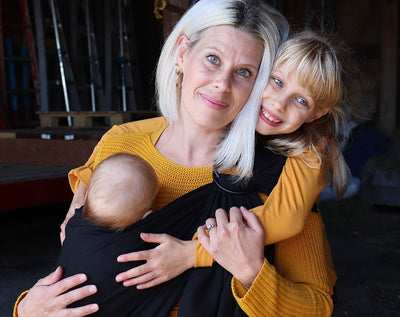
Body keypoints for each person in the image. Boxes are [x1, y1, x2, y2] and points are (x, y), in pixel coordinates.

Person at [13, 1, 337, 316]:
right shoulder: (120, 144)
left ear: (260, 83)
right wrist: (27, 308)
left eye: (244, 72)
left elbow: (317, 307)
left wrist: (251, 272)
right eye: (212, 59)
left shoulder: (278, 170)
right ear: (182, 53)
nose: (222, 84)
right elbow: (80, 263)